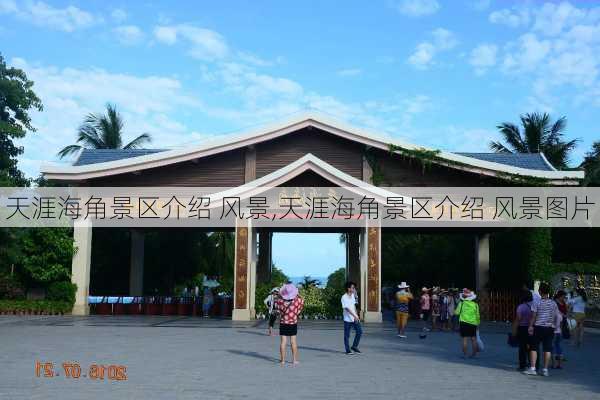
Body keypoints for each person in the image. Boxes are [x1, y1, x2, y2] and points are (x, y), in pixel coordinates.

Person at [524, 283, 559, 377]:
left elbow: (533, 316)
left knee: (534, 348)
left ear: (540, 291)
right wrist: (555, 326)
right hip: (549, 328)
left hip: (538, 327)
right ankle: (545, 369)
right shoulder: (553, 303)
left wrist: (530, 326)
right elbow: (556, 316)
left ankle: (533, 368)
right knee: (547, 349)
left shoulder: (537, 302)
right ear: (548, 292)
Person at [275, 283, 304, 366]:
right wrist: (297, 294)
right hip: (293, 323)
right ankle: (294, 360)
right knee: (293, 342)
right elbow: (302, 302)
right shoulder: (297, 301)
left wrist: (281, 295)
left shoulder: (280, 301)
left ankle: (282, 360)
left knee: (283, 342)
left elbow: (278, 309)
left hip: (283, 323)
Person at [455, 288, 480, 358]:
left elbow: (456, 313)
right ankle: (474, 354)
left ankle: (465, 354)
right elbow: (478, 315)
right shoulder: (475, 305)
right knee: (473, 339)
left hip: (463, 323)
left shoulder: (461, 303)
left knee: (464, 339)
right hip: (473, 323)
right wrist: (478, 324)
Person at [512, 290, 533, 371]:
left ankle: (522, 365)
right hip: (532, 328)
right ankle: (533, 364)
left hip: (523, 328)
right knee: (532, 346)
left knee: (522, 347)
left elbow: (518, 319)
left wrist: (514, 329)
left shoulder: (521, 307)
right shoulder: (534, 305)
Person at [341, 281, 362, 354]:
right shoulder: (344, 297)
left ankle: (354, 346)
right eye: (353, 287)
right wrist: (354, 316)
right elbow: (346, 308)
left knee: (359, 332)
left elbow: (353, 306)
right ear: (348, 288)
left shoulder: (352, 296)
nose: (354, 289)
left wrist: (357, 315)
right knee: (347, 335)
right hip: (347, 319)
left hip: (354, 318)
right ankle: (348, 350)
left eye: (354, 288)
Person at [552, 290, 567, 369]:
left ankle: (554, 364)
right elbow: (561, 322)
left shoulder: (554, 313)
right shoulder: (560, 315)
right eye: (563, 296)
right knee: (559, 346)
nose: (564, 298)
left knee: (553, 347)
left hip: (553, 330)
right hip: (559, 330)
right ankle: (559, 364)